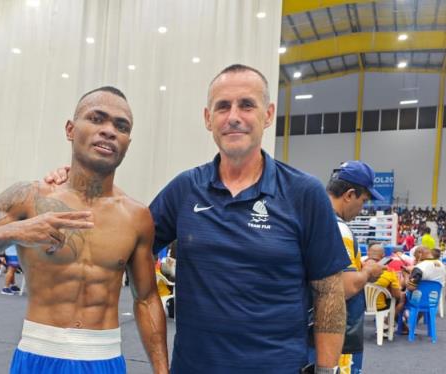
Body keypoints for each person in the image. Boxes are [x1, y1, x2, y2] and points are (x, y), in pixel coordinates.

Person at [45, 65, 349, 374]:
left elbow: (329, 291)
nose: (234, 116)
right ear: (208, 119)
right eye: (222, 106)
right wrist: (79, 182)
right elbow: (125, 236)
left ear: (268, 114)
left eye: (246, 105)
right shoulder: (185, 189)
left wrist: (326, 370)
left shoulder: (303, 193)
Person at [0, 86, 168, 374]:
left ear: (127, 142)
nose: (109, 130)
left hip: (104, 359)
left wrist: (162, 370)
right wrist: (16, 231)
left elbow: (145, 298)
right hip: (38, 356)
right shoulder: (28, 198)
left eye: (121, 126)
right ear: (70, 129)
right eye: (97, 119)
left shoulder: (136, 216)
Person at [325, 161, 385, 374]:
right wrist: (369, 272)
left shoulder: (313, 219)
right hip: (338, 333)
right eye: (363, 200)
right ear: (349, 195)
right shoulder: (340, 229)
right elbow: (345, 287)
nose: (362, 209)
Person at [366, 244, 404, 317]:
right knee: (401, 297)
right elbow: (396, 295)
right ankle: (388, 320)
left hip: (360, 305)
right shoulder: (389, 271)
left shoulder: (359, 267)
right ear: (383, 255)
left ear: (368, 253)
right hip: (380, 306)